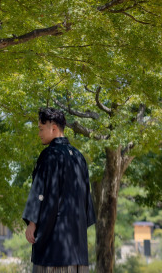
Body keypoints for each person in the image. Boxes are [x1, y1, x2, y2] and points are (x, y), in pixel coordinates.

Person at [23, 107, 96, 273]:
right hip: (78, 249)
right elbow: (86, 202)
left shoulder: (49, 155)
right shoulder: (79, 157)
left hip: (54, 248)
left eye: (41, 129)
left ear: (53, 127)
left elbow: (39, 190)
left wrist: (32, 223)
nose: (39, 133)